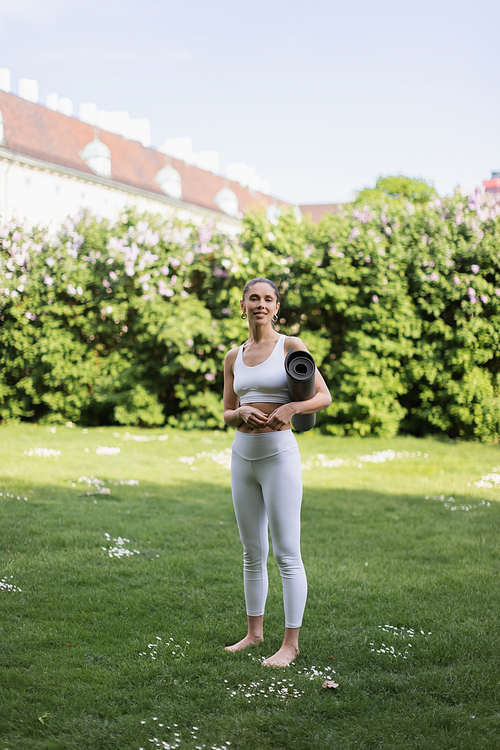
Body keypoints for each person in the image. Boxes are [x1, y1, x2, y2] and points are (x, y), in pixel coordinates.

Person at [223, 277, 331, 666]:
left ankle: (290, 644)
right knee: (252, 551)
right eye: (254, 298)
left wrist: (291, 409)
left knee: (287, 553)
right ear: (243, 304)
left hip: (279, 456)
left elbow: (323, 395)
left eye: (268, 299)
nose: (261, 305)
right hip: (242, 457)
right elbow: (226, 411)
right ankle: (254, 634)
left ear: (277, 307)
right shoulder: (233, 357)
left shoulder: (291, 346)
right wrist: (239, 413)